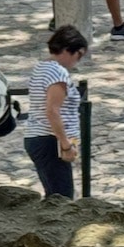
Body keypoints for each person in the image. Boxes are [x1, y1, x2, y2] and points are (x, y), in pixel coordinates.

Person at [23, 25, 89, 198]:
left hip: (42, 139)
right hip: (50, 141)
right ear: (68, 50)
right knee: (61, 198)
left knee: (56, 194)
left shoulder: (42, 67)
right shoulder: (57, 73)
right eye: (79, 55)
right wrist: (65, 145)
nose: (78, 61)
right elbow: (52, 111)